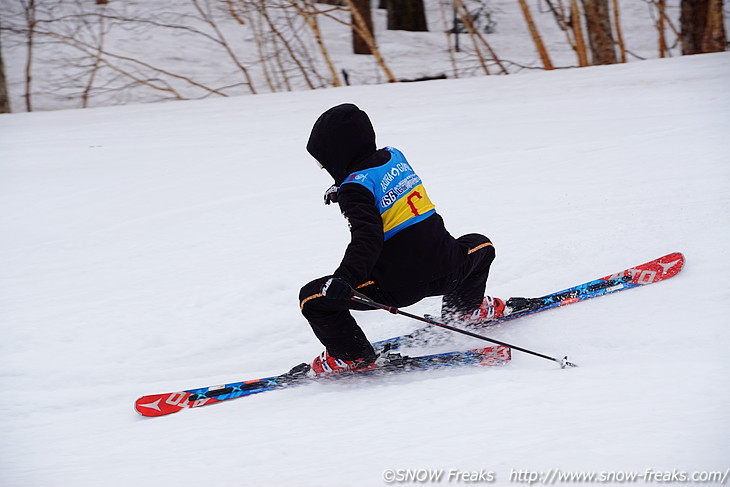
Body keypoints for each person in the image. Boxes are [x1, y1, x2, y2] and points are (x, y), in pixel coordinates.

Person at [299, 103, 505, 377]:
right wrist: (344, 188)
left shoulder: (354, 189)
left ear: (337, 154)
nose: (323, 167)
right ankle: (464, 311)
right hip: (452, 269)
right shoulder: (395, 157)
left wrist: (344, 280)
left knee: (313, 298)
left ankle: (351, 356)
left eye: (323, 160)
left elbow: (367, 238)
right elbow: (375, 178)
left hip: (398, 288)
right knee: (481, 246)